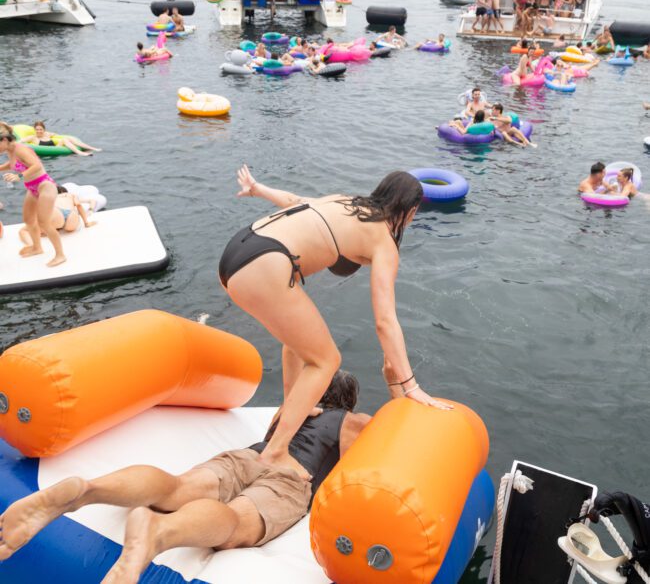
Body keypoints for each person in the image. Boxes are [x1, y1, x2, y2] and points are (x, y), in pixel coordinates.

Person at [0, 372, 372, 583]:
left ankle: (86, 489)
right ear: (348, 402)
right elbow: (379, 459)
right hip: (289, 480)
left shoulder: (289, 410)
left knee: (177, 488)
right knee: (237, 526)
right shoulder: (352, 422)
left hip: (245, 456)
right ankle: (158, 533)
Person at [218, 167, 452, 477]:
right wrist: (411, 386)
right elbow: (385, 320)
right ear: (409, 211)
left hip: (237, 254)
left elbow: (295, 201)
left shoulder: (346, 202)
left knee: (298, 345)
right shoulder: (383, 240)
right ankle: (275, 452)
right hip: (264, 264)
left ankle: (293, 410)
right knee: (327, 360)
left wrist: (259, 189)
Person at [0, 122, 65, 267]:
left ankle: (60, 255)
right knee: (28, 219)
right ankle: (37, 247)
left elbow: (37, 165)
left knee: (44, 223)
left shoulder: (20, 149)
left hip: (45, 186)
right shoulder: (10, 151)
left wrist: (19, 176)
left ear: (4, 140)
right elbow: (11, 165)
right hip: (32, 187)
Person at [18, 184, 97, 245]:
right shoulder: (71, 195)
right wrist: (86, 223)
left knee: (23, 230)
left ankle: (31, 245)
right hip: (72, 219)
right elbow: (79, 205)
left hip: (56, 215)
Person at [19, 121, 100, 156]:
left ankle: (92, 148)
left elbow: (57, 135)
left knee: (68, 138)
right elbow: (21, 141)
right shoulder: (33, 138)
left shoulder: (47, 134)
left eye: (40, 129)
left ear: (44, 129)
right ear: (34, 130)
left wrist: (55, 135)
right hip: (49, 151)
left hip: (56, 148)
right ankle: (79, 153)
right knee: (65, 140)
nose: (39, 131)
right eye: (37, 129)